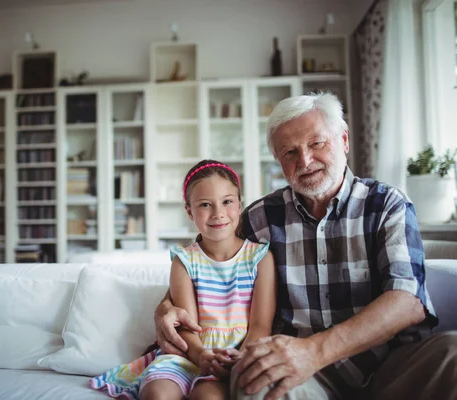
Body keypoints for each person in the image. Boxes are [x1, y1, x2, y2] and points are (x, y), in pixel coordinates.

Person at [154, 93, 457, 400]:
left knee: (453, 352)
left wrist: (315, 350)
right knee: (255, 384)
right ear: (277, 161)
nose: (305, 160)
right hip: (301, 374)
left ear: (344, 140)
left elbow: (409, 300)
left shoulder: (387, 204)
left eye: (316, 143)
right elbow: (205, 263)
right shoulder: (260, 218)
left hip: (393, 363)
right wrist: (165, 307)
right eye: (289, 152)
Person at [90, 160, 277, 399]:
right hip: (188, 354)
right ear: (189, 211)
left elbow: (261, 326)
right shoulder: (184, 261)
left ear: (239, 204)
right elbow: (187, 326)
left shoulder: (260, 258)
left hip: (235, 356)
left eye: (227, 201)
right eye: (205, 205)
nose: (218, 213)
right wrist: (201, 356)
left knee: (207, 396)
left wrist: (240, 360)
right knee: (156, 393)